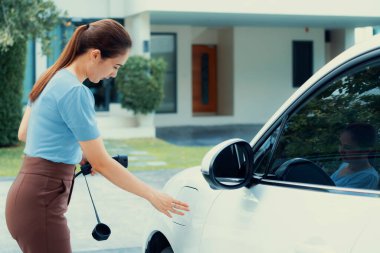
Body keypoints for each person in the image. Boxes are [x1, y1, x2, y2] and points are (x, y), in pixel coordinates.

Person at [5, 19, 189, 253]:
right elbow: (102, 163)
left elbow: (25, 133)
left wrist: (78, 155)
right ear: (95, 55)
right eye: (115, 66)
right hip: (40, 204)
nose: (113, 75)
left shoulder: (51, 77)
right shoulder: (75, 92)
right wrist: (153, 195)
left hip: (24, 198)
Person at [331, 122, 379, 190]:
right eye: (340, 144)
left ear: (366, 150)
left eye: (347, 147)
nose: (340, 150)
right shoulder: (345, 165)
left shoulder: (368, 177)